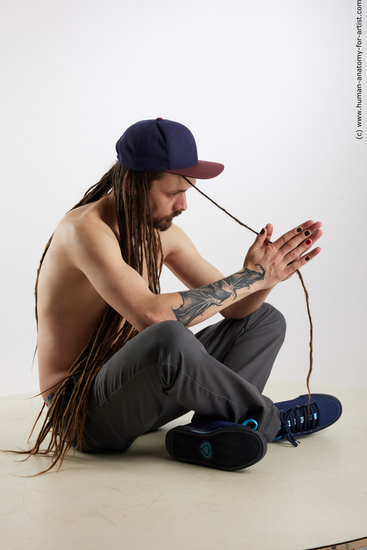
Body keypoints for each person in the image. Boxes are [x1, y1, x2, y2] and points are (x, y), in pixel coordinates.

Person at [31, 117, 341, 473]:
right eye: (174, 193)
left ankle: (209, 430)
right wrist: (250, 277)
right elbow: (151, 316)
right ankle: (267, 417)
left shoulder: (162, 234)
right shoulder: (84, 230)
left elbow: (238, 310)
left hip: (143, 398)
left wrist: (264, 276)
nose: (183, 205)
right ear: (132, 184)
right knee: (166, 337)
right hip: (83, 412)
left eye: (187, 192)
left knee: (264, 319)